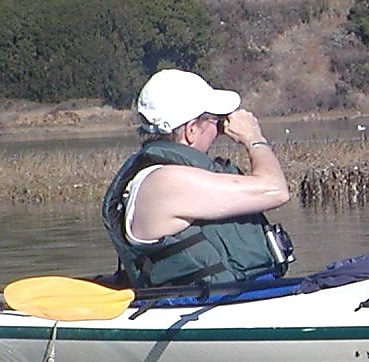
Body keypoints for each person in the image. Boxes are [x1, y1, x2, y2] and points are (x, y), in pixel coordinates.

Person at [102, 68, 293, 289]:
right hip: (212, 306)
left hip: (240, 297)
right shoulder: (166, 182)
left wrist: (214, 123)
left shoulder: (168, 174)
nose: (220, 130)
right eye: (215, 122)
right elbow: (275, 190)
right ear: (191, 130)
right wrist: (253, 137)